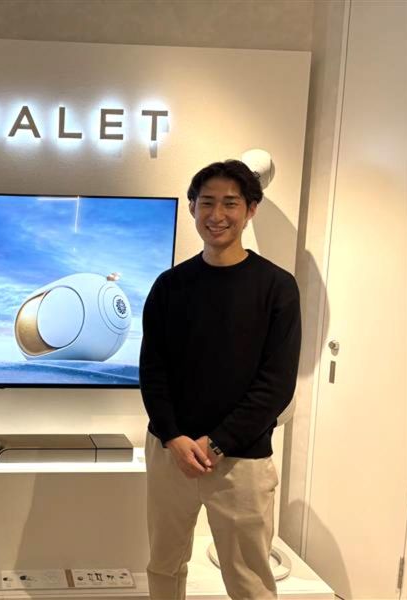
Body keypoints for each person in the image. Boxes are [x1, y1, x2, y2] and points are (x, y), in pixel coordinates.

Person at [139, 160, 301, 599]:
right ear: (192, 207)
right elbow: (152, 370)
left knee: (250, 580)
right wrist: (173, 437)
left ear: (251, 209)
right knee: (164, 565)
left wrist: (217, 443)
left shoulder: (277, 287)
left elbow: (276, 385)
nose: (217, 215)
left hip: (241, 459)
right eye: (207, 202)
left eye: (231, 203)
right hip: (171, 453)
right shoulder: (169, 286)